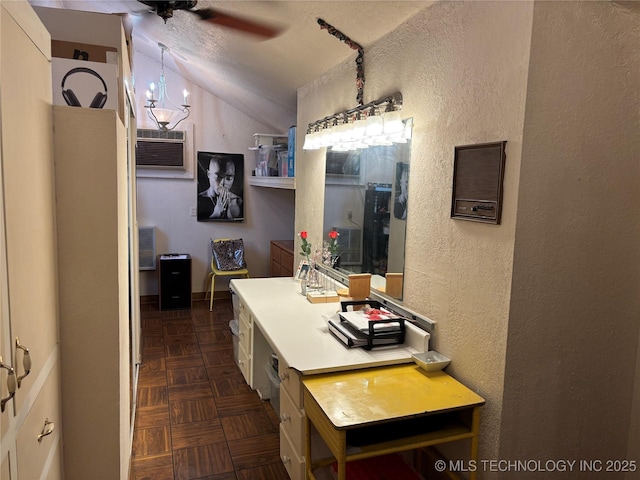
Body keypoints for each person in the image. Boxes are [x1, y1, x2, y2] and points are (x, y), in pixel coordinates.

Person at [198, 155, 243, 220]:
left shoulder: (238, 202)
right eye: (218, 177)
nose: (223, 183)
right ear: (209, 174)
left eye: (229, 178)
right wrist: (216, 214)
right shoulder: (199, 200)